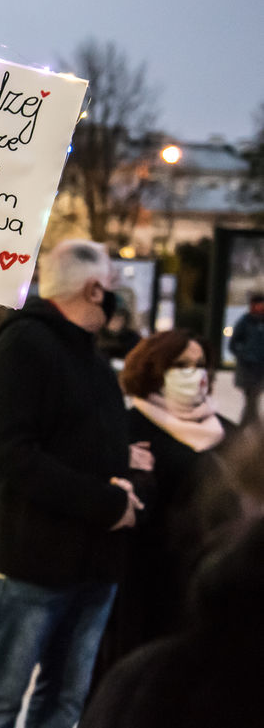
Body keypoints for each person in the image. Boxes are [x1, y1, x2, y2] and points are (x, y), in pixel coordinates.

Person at [0, 240, 145, 728]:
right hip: (36, 559)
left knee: (66, 697)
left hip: (94, 562)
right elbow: (13, 453)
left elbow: (78, 436)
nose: (115, 297)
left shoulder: (88, 356)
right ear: (93, 289)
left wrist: (125, 459)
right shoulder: (25, 344)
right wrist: (107, 503)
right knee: (4, 696)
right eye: (111, 286)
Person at [90, 330, 232, 687]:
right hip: (143, 582)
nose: (194, 374)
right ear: (155, 370)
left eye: (200, 365)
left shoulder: (227, 432)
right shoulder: (127, 427)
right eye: (180, 365)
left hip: (206, 580)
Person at [229, 293, 264, 423]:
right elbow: (233, 344)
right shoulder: (245, 321)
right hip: (248, 370)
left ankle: (245, 427)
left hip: (260, 369)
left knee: (252, 401)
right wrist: (245, 355)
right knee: (251, 400)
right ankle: (253, 428)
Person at [97, 299, 142, 366]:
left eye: (119, 319)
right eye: (112, 318)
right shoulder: (95, 339)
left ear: (125, 319)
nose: (116, 322)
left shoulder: (133, 339)